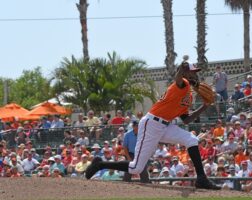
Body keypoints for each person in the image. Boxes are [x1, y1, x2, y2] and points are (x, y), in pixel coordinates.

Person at [85, 58, 221, 190]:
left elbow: (186, 120)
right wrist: (182, 68)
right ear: (185, 73)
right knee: (136, 168)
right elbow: (178, 77)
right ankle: (100, 164)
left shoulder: (189, 95)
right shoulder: (182, 84)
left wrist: (204, 107)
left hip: (165, 126)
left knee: (191, 139)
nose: (194, 74)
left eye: (195, 72)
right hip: (151, 124)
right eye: (191, 71)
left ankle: (201, 178)